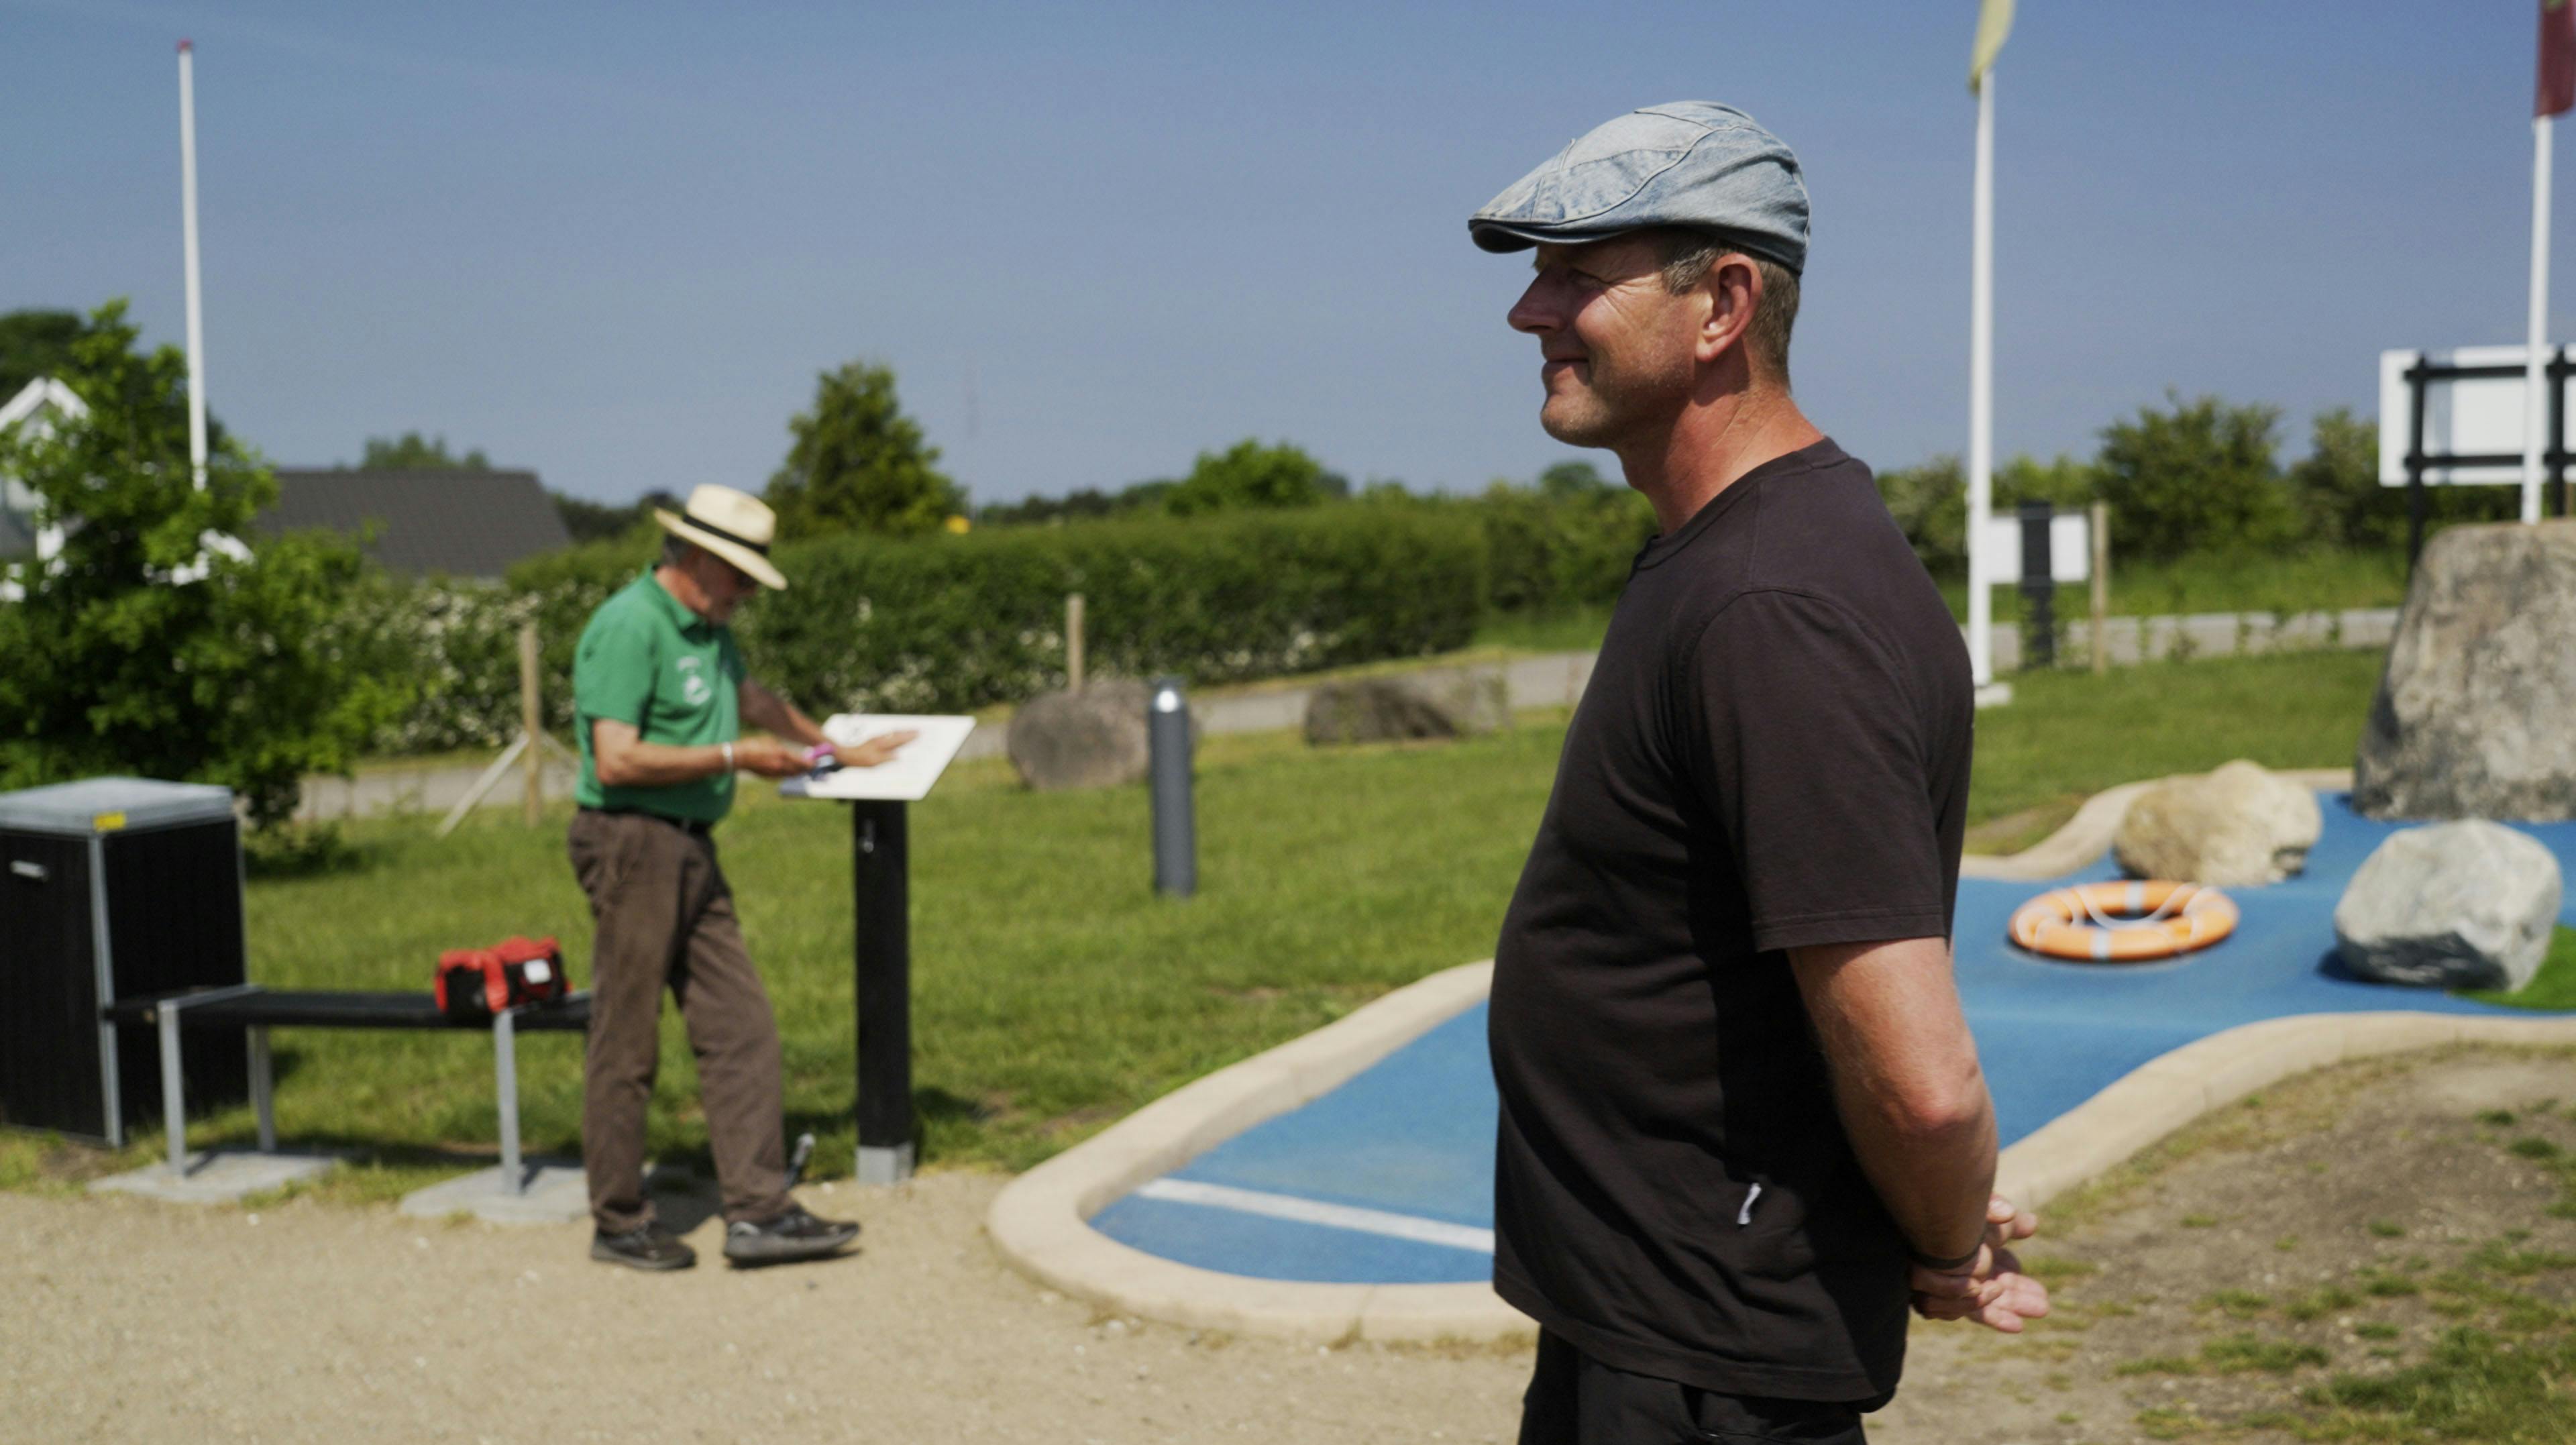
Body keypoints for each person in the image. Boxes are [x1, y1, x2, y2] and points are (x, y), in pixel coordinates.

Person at [1470, 103, 2049, 1442]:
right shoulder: (1732, 551)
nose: (1529, 312)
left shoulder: (1771, 603)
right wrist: (1937, 1206)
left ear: (1724, 300)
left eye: (1577, 273)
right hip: (1655, 1323)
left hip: (1703, 1366)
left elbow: (1922, 1080)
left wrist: (1948, 1224)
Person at [568, 482, 914, 1271]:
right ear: (697, 559)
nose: (750, 590)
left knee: (742, 1026)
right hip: (632, 844)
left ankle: (758, 1211)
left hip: (691, 845)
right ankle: (619, 1219)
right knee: (628, 1038)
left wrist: (832, 748)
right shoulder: (629, 626)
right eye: (741, 573)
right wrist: (735, 758)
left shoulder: (709, 630)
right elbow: (617, 757)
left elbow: (752, 701)